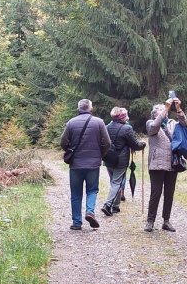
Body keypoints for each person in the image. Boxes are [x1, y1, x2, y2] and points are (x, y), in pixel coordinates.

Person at [59, 98, 111, 230]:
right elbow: (107, 142)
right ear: (90, 108)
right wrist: (100, 154)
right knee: (92, 190)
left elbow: (63, 142)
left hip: (76, 164)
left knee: (76, 193)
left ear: (79, 108)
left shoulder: (71, 123)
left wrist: (70, 150)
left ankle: (77, 223)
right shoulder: (99, 122)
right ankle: (90, 212)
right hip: (93, 164)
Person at [144, 96, 187, 232]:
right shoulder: (150, 123)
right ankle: (150, 221)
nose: (164, 111)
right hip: (157, 163)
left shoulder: (172, 123)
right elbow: (154, 127)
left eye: (164, 109)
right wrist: (165, 109)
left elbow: (185, 124)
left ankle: (166, 221)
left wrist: (178, 108)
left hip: (172, 163)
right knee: (155, 193)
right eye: (160, 109)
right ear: (154, 114)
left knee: (169, 193)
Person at [100, 106, 145, 217]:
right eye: (126, 116)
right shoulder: (127, 129)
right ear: (122, 117)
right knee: (116, 182)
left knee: (114, 181)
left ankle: (116, 206)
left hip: (108, 159)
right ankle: (108, 204)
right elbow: (135, 145)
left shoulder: (106, 127)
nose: (127, 118)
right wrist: (143, 144)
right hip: (121, 160)